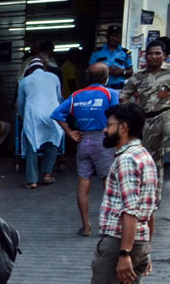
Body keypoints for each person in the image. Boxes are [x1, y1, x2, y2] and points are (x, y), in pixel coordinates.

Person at [38, 103, 165, 284]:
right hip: (138, 242)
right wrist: (145, 249)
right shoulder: (146, 157)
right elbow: (150, 209)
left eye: (109, 125)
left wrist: (125, 253)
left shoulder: (126, 160)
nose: (105, 130)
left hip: (120, 242)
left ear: (123, 127)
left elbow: (130, 210)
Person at [51, 62, 120, 237]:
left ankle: (86, 227)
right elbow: (117, 115)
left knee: (83, 185)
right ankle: (109, 226)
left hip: (83, 141)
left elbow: (57, 113)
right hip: (104, 140)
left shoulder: (76, 96)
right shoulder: (110, 93)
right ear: (106, 78)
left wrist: (70, 132)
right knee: (109, 185)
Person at [120, 39, 170, 184]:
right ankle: (154, 197)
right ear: (145, 56)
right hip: (148, 119)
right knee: (152, 159)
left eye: (158, 53)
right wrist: (133, 114)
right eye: (150, 54)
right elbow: (124, 96)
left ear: (164, 55)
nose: (154, 56)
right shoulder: (138, 76)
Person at [17, 60, 64, 189]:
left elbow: (20, 103)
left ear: (30, 69)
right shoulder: (54, 77)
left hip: (33, 114)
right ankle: (47, 175)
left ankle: (32, 181)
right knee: (52, 142)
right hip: (52, 113)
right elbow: (59, 97)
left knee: (31, 145)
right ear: (43, 68)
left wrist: (22, 115)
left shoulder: (24, 81)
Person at [90, 24, 133, 92]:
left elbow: (131, 72)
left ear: (119, 38)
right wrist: (104, 71)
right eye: (111, 36)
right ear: (107, 37)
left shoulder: (125, 53)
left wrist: (122, 71)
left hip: (120, 88)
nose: (113, 38)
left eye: (116, 36)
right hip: (101, 88)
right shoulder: (97, 52)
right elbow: (89, 70)